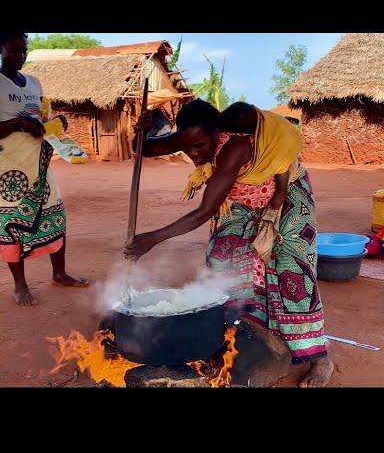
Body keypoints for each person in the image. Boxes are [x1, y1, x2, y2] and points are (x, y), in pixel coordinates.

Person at [124, 99, 333, 387]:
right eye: (187, 147)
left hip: (285, 200)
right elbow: (144, 150)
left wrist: (151, 239)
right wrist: (141, 132)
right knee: (221, 259)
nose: (194, 153)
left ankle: (319, 357)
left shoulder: (234, 147)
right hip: (244, 203)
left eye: (200, 146)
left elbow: (206, 210)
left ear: (217, 133)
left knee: (290, 271)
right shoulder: (193, 136)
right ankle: (244, 336)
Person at [0, 32, 89, 307]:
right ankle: (20, 286)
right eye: (13, 50)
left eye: (23, 50)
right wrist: (19, 123)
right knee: (13, 223)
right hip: (10, 170)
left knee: (56, 216)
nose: (20, 56)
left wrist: (55, 123)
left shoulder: (35, 84)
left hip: (39, 164)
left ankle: (59, 274)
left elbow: (40, 120)